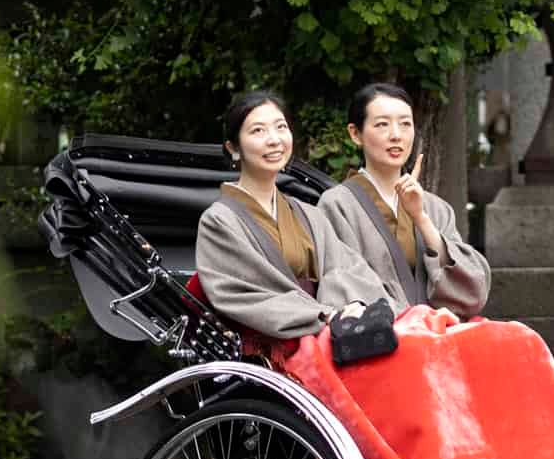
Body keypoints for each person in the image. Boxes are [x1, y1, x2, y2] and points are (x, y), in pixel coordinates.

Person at [195, 90, 389, 338]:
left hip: (332, 333)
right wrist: (322, 314)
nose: (274, 139)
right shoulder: (219, 222)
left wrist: (348, 306)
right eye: (258, 131)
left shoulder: (309, 214)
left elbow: (349, 269)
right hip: (274, 348)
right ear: (234, 148)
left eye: (280, 127)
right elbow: (242, 295)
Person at [316, 81, 490, 319]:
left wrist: (421, 218)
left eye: (405, 124)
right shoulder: (336, 205)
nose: (396, 135)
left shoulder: (436, 208)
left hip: (440, 333)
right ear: (355, 134)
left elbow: (472, 291)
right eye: (382, 125)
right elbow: (345, 281)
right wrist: (415, 319)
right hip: (383, 337)